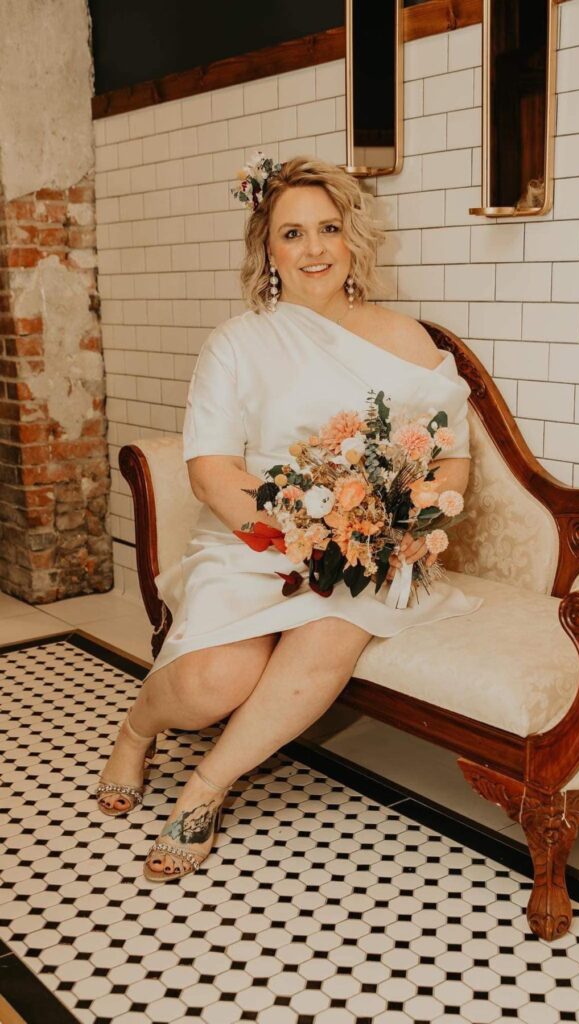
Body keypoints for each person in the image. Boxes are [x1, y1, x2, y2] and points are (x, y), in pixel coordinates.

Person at [94, 155, 483, 883]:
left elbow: (450, 462)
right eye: (292, 233)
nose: (314, 249)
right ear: (266, 250)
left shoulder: (406, 341)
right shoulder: (238, 342)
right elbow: (210, 473)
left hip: (365, 551)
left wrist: (407, 523)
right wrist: (296, 539)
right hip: (253, 538)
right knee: (212, 683)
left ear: (352, 238)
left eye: (328, 229)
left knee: (338, 615)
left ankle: (205, 789)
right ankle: (136, 728)